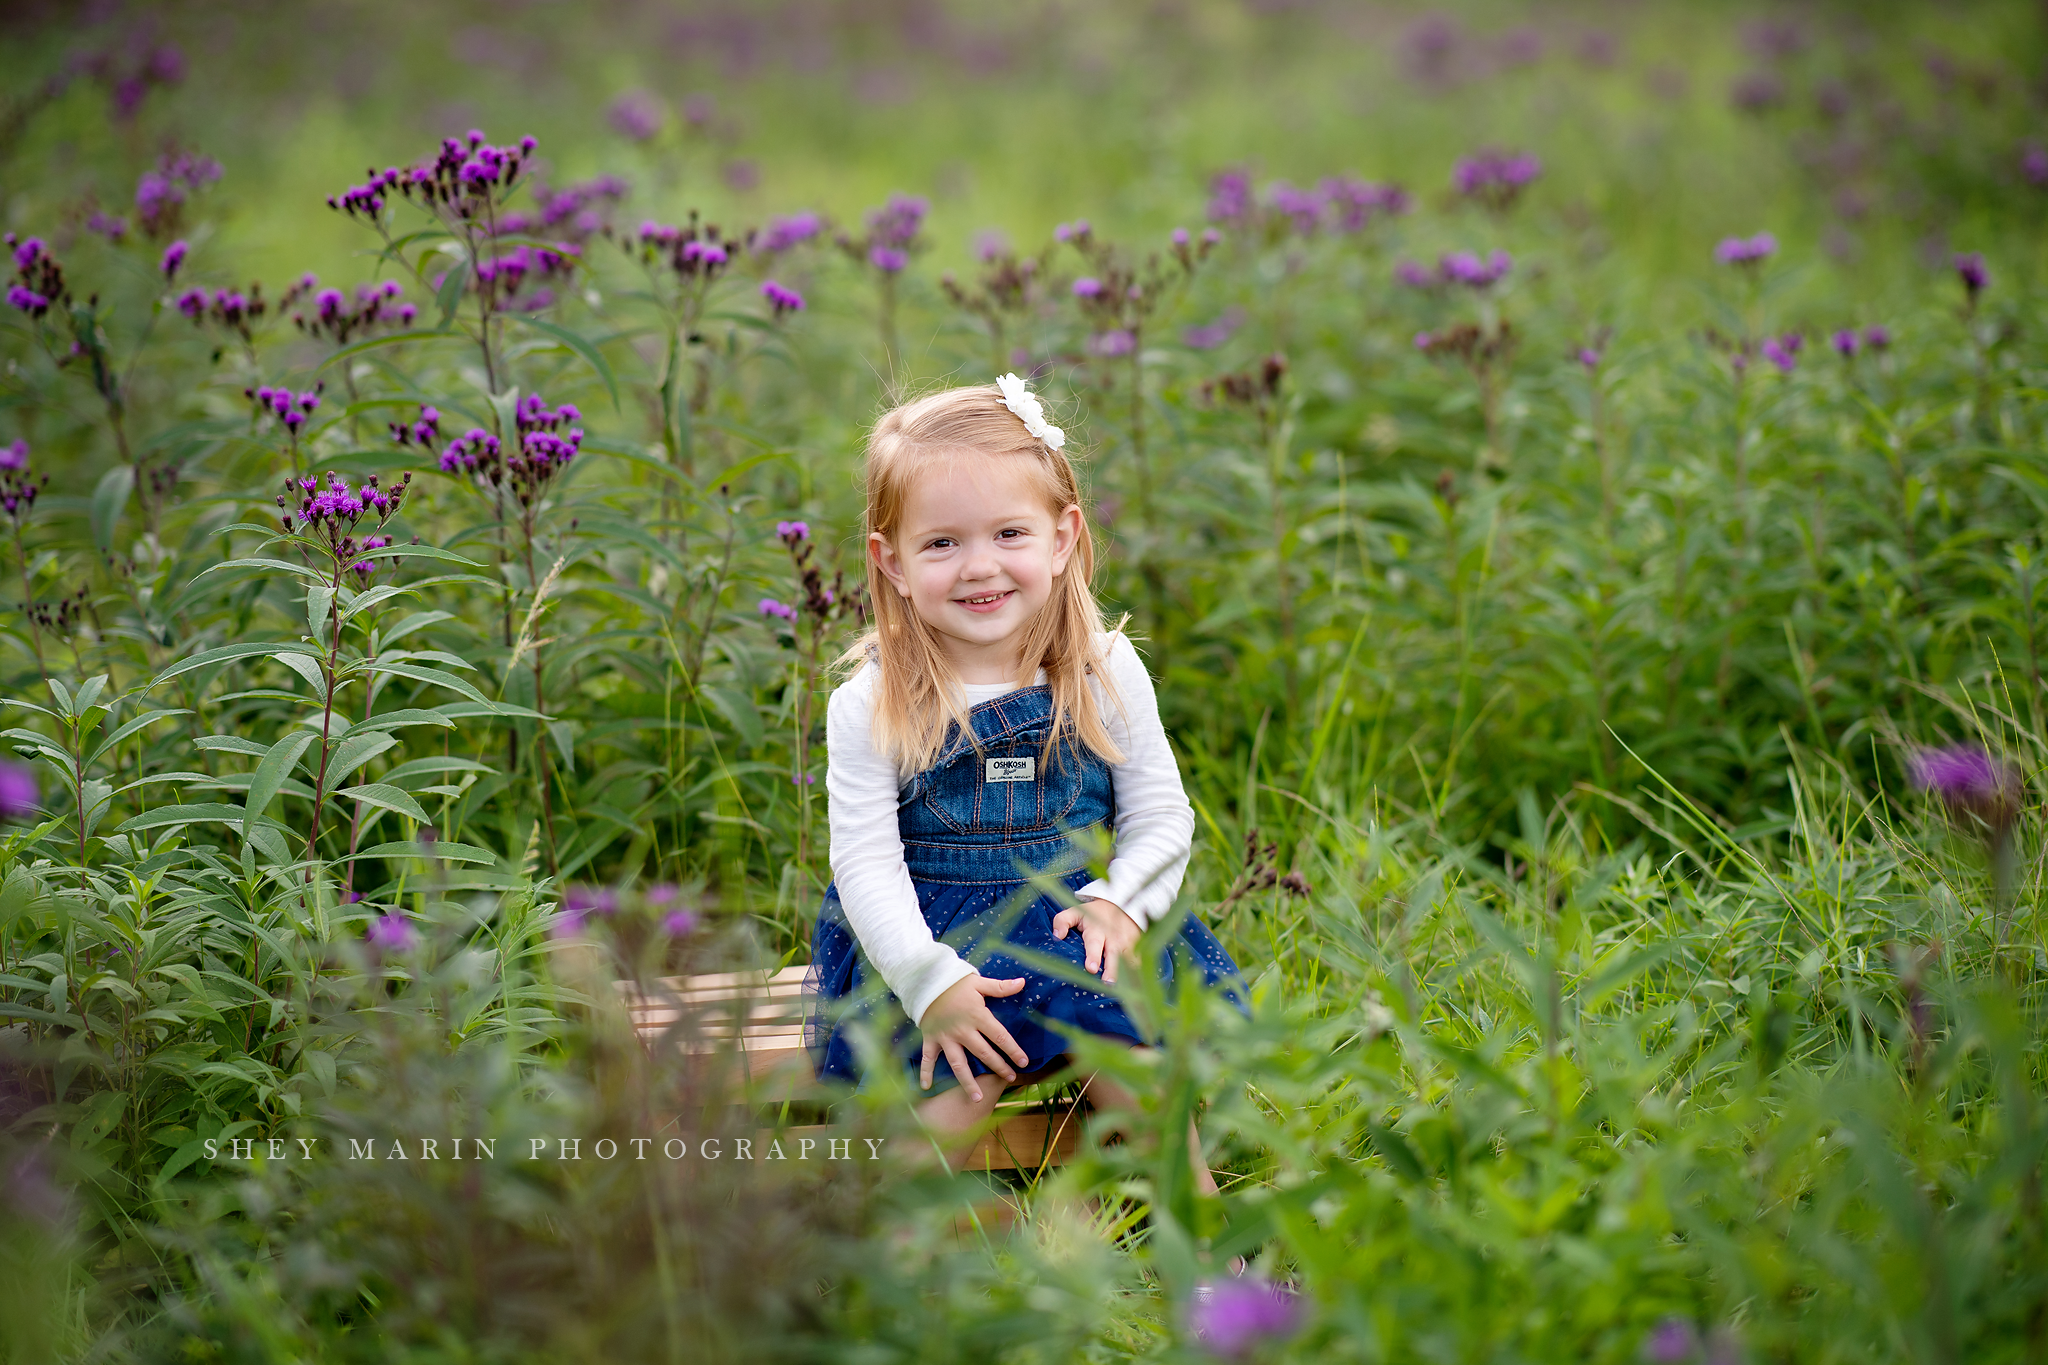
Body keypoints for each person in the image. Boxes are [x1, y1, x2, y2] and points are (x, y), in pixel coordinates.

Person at [803, 374, 1248, 1188]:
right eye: (941, 543)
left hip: (1076, 921)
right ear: (890, 561)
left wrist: (1122, 901)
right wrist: (930, 981)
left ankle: (1214, 1259)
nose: (980, 567)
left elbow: (1160, 816)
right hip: (934, 938)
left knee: (1141, 1065)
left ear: (1063, 535)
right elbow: (865, 863)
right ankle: (870, 1266)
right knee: (956, 1083)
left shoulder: (1104, 668)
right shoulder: (873, 697)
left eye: (1009, 532)